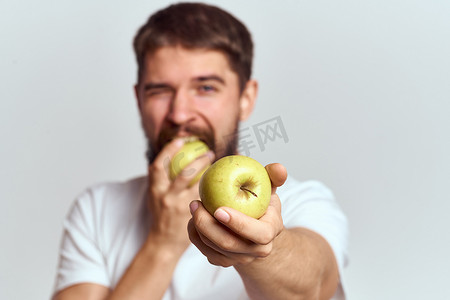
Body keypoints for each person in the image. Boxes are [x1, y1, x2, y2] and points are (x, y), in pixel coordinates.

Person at [52, 3, 348, 300]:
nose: (180, 114)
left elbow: (315, 287)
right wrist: (163, 243)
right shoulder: (97, 210)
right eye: (159, 90)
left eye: (205, 88)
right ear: (139, 99)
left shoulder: (303, 202)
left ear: (246, 98)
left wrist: (263, 249)